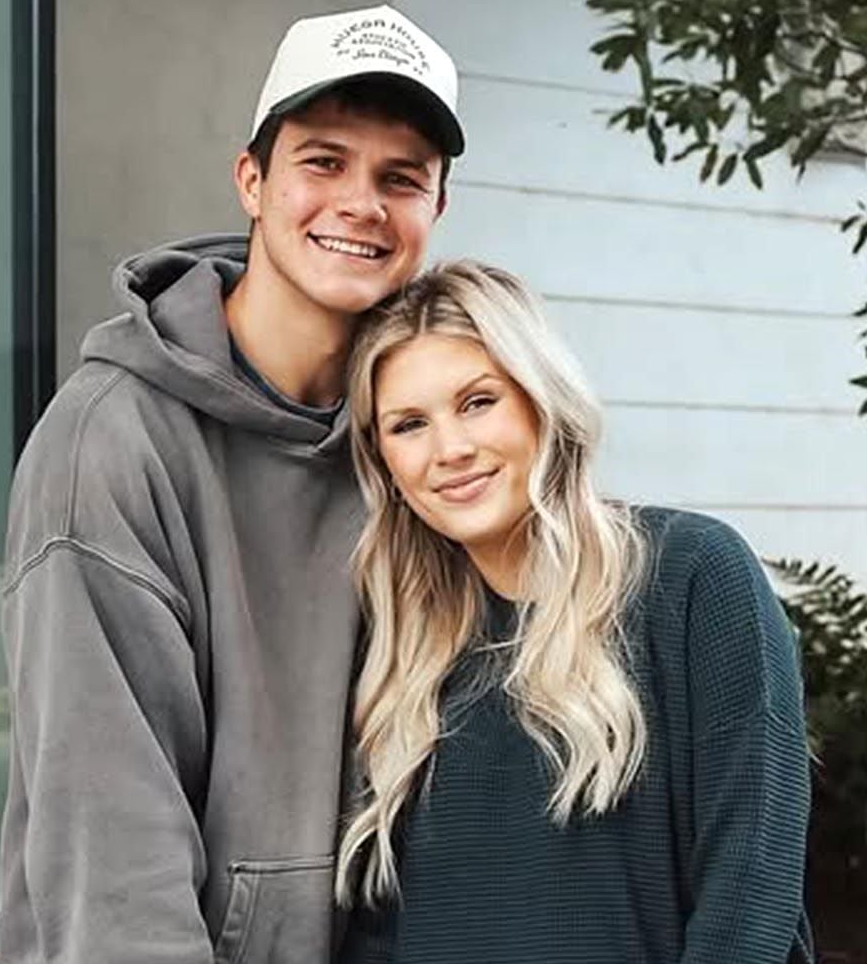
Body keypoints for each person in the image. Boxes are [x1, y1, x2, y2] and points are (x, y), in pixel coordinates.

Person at [0, 4, 463, 964]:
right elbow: (112, 862)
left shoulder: (423, 441)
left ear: (436, 210)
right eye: (323, 162)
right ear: (251, 179)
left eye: (400, 177)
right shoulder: (110, 445)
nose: (361, 204)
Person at [334, 261, 817, 964]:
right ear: (384, 463)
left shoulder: (691, 577)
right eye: (409, 425)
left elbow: (751, 879)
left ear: (541, 400)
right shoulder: (399, 651)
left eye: (478, 402)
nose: (450, 450)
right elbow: (377, 933)